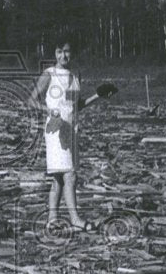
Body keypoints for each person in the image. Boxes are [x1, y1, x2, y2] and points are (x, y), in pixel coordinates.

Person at [32, 40, 117, 231]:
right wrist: (49, 111)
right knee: (70, 175)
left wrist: (98, 95)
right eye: (60, 51)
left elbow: (75, 106)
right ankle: (75, 219)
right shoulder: (49, 75)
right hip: (55, 130)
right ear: (55, 53)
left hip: (71, 129)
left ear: (72, 53)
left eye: (68, 52)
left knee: (59, 178)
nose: (64, 56)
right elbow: (31, 101)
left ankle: (52, 219)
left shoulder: (75, 76)